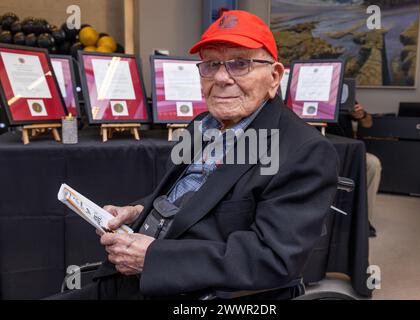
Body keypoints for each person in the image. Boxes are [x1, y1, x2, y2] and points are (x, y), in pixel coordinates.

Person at [49, 10, 339, 300]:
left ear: (274, 76)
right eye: (212, 64)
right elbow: (185, 200)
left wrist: (152, 258)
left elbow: (273, 258)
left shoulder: (305, 151)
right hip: (129, 280)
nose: (222, 77)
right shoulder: (201, 125)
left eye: (240, 63)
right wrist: (137, 211)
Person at [329, 102, 382, 237]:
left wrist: (362, 115)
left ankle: (364, 220)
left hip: (347, 152)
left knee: (372, 163)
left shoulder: (344, 94)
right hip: (315, 149)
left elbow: (368, 123)